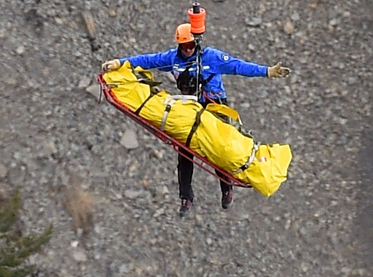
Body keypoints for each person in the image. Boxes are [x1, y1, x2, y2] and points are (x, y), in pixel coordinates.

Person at [101, 23, 290, 217]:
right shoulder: (173, 59)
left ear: (196, 43)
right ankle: (186, 196)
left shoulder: (211, 57)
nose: (188, 49)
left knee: (221, 148)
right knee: (184, 151)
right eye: (185, 46)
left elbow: (237, 66)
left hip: (214, 105)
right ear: (179, 46)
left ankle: (226, 189)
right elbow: (148, 61)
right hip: (191, 110)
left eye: (191, 45)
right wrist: (119, 62)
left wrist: (267, 71)